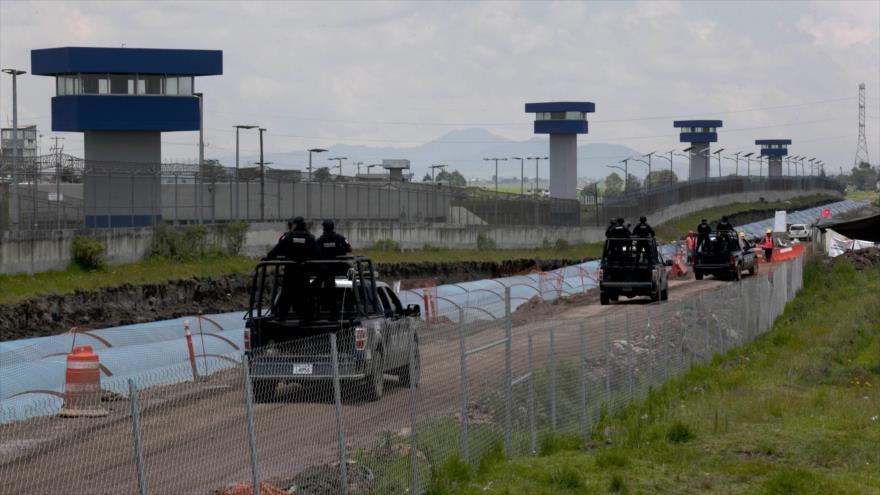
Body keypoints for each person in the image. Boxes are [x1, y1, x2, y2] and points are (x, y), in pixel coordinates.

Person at [265, 217, 320, 320]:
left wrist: (268, 258)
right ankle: (307, 318)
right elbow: (318, 254)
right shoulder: (310, 237)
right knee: (304, 296)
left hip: (290, 272)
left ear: (295, 225)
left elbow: (277, 249)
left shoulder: (289, 236)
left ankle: (281, 317)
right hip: (304, 273)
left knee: (286, 295)